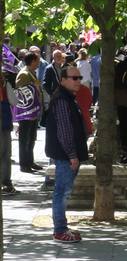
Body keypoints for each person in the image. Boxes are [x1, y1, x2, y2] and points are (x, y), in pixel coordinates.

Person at [42, 63, 88, 244]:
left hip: (67, 154)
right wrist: (72, 155)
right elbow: (64, 130)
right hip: (65, 155)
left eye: (79, 78)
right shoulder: (61, 99)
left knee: (63, 192)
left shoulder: (68, 97)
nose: (78, 81)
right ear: (62, 80)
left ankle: (62, 227)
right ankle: (59, 230)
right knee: (62, 193)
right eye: (74, 78)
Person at [14, 52, 42, 176]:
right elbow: (20, 91)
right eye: (37, 60)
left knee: (31, 138)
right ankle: (24, 164)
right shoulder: (24, 74)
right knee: (24, 138)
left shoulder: (31, 72)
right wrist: (33, 85)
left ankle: (30, 161)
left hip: (33, 111)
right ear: (32, 61)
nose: (39, 63)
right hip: (26, 112)